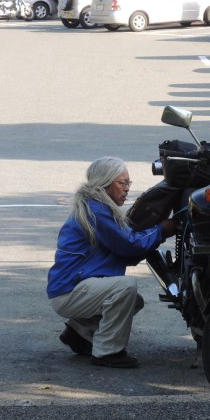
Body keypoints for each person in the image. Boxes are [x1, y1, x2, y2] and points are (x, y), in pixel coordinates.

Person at [47, 157, 176, 369]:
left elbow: (128, 248)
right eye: (122, 183)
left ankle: (80, 332)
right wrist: (163, 229)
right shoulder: (97, 211)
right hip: (68, 291)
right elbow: (130, 245)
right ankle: (107, 352)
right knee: (125, 288)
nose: (127, 189)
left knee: (133, 300)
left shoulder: (96, 207)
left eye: (128, 183)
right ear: (105, 183)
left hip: (70, 288)